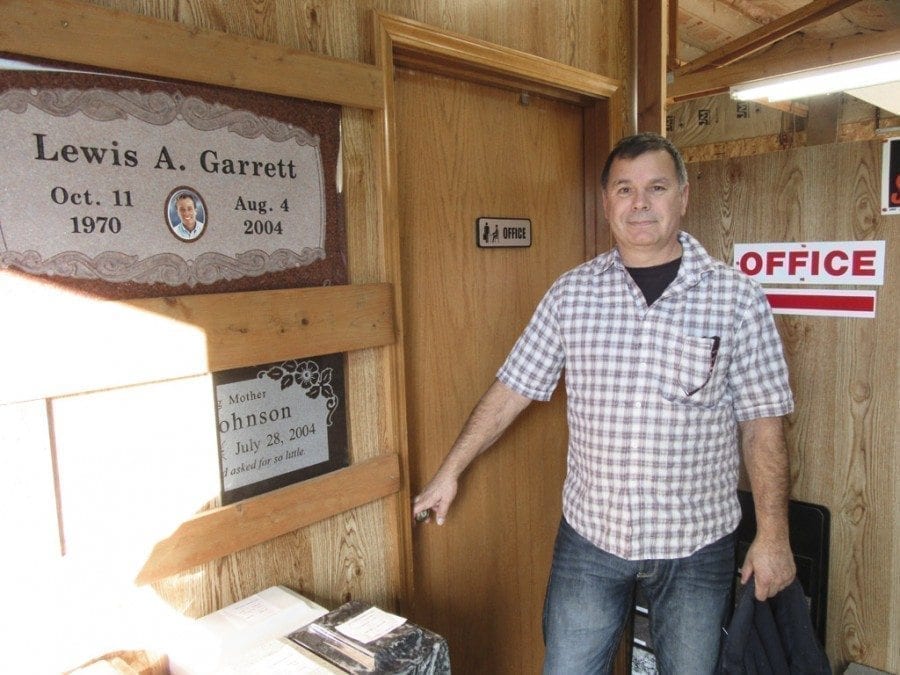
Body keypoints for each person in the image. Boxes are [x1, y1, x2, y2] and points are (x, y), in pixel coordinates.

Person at [412, 132, 797, 674]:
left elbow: (763, 424)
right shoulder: (572, 293)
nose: (640, 203)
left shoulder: (736, 298)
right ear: (606, 202)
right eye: (625, 189)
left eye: (656, 188)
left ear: (683, 197)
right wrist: (450, 470)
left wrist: (774, 536)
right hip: (591, 538)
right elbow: (513, 388)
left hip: (696, 543)